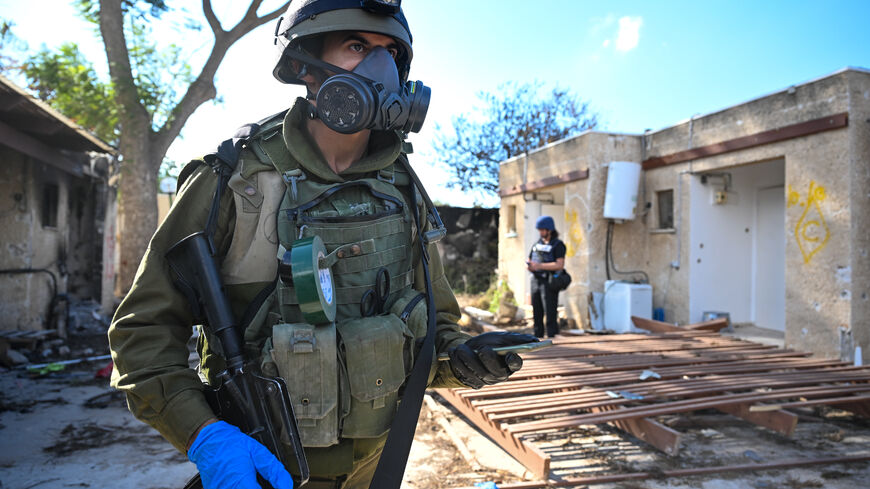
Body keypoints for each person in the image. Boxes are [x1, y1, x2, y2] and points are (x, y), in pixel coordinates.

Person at [107, 2, 537, 489]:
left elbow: (431, 329)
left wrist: (461, 358)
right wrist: (203, 433)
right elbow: (142, 332)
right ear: (303, 65)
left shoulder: (402, 189)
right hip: (264, 466)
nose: (381, 68)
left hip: (376, 467)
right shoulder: (234, 182)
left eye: (390, 53)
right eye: (357, 46)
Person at [526, 216, 566, 338]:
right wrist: (530, 265)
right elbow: (529, 258)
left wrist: (540, 266)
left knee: (550, 311)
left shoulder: (558, 245)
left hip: (548, 281)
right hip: (535, 280)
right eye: (540, 230)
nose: (541, 232)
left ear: (550, 230)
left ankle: (552, 337)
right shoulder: (537, 244)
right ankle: (537, 336)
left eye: (543, 230)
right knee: (536, 311)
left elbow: (559, 264)